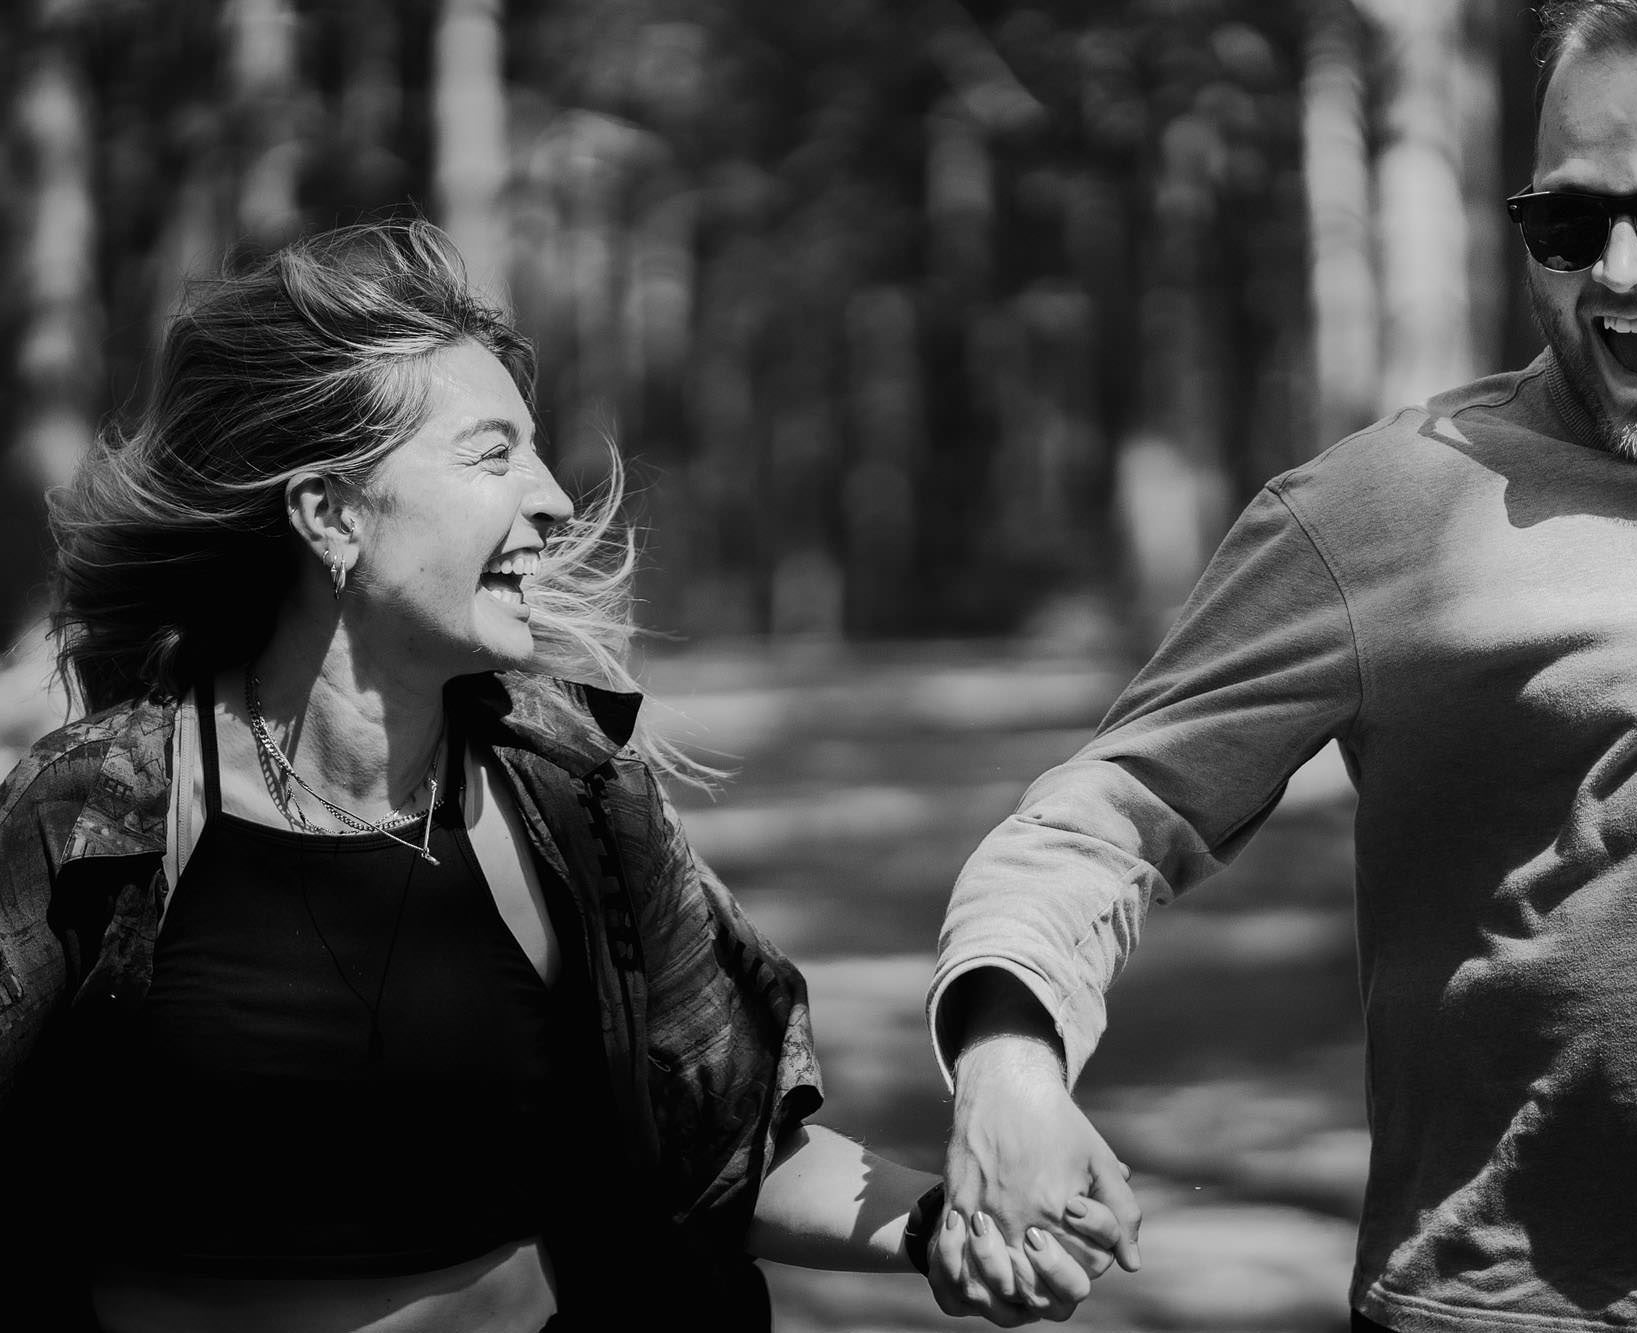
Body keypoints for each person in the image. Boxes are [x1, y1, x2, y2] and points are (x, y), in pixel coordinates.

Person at [925, 2, 1637, 1329]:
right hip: (1492, 1309)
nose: (1617, 272)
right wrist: (1008, 1058)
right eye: (1566, 224)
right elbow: (1103, 819)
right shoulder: (1377, 514)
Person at [0, 219, 1122, 1332]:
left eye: (534, 450)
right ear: (330, 514)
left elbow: (724, 1142)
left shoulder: (572, 803)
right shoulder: (102, 810)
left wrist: (950, 1230)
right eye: (491, 454)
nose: (549, 496)